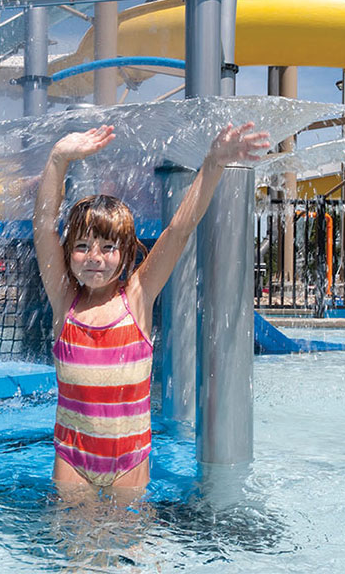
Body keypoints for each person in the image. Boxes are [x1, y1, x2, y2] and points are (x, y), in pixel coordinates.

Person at [33, 123, 271, 489]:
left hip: (129, 461)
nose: (94, 257)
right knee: (74, 542)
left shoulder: (138, 297)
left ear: (126, 254)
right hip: (73, 459)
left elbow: (178, 229)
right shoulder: (65, 302)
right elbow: (43, 226)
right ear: (68, 253)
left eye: (108, 248)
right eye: (82, 246)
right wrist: (57, 160)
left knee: (131, 543)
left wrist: (214, 163)